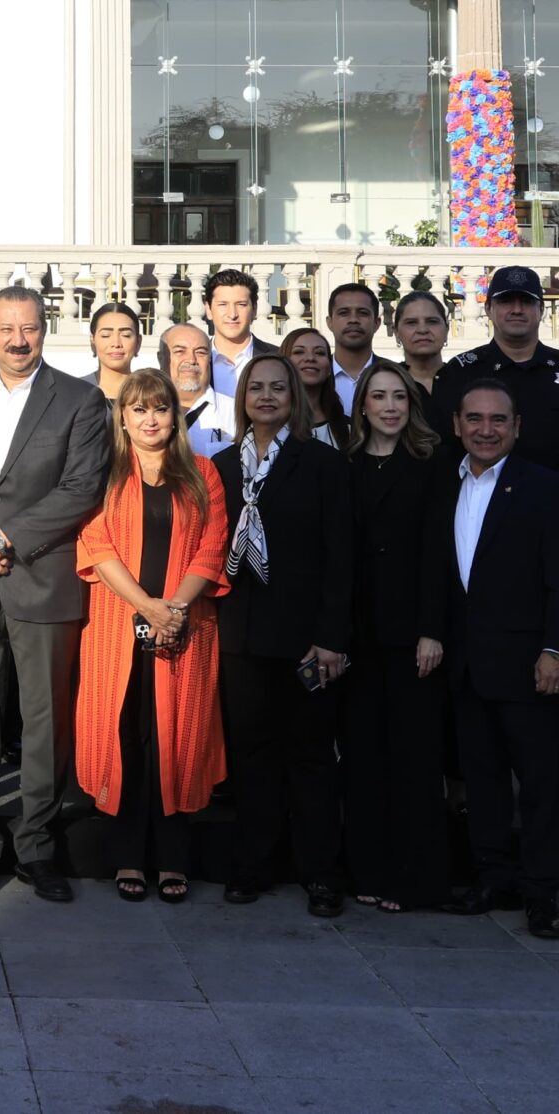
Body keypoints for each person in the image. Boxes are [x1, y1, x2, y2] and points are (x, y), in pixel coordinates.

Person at [0, 285, 111, 903]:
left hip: (43, 580)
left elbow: (81, 489)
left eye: (29, 328)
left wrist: (5, 538)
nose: (17, 339)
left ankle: (37, 846)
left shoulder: (82, 400)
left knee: (44, 720)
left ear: (46, 327)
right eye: (6, 328)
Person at [427, 376, 559, 940]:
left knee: (540, 786)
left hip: (529, 666)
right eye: (474, 419)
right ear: (457, 426)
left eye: (498, 420)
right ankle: (494, 878)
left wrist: (555, 650)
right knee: (483, 781)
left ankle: (542, 894)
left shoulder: (545, 489)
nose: (485, 430)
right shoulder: (442, 485)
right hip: (466, 667)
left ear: (516, 428)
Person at [76, 369, 227, 904]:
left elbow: (212, 550)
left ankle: (172, 860)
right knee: (128, 734)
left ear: (174, 415)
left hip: (185, 629)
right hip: (118, 625)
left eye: (159, 408)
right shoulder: (106, 475)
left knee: (174, 739)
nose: (150, 419)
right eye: (138, 409)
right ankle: (127, 858)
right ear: (122, 417)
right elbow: (97, 548)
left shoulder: (203, 474)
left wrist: (175, 611)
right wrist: (147, 608)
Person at [211, 351, 353, 913]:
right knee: (252, 755)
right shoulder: (222, 467)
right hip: (240, 637)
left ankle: (320, 872)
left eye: (278, 387)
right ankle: (253, 864)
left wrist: (332, 636)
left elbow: (341, 557)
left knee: (311, 755)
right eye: (256, 388)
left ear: (294, 397)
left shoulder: (322, 464)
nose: (266, 396)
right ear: (243, 398)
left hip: (305, 639)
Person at [339, 359, 452, 912]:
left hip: (413, 633)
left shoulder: (433, 464)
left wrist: (432, 630)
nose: (389, 406)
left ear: (412, 406)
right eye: (379, 397)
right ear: (362, 406)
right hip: (359, 633)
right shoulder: (347, 465)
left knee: (414, 756)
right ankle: (367, 869)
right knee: (363, 756)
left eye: (399, 398)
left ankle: (413, 877)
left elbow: (438, 553)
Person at [436, 266, 559, 469]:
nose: (517, 310)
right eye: (505, 301)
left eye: (527, 302)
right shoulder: (461, 372)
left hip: (557, 495)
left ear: (541, 310)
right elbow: (448, 446)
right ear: (488, 309)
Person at [160, 322, 238, 459]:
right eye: (180, 351)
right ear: (161, 358)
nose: (191, 360)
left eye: (201, 352)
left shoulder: (235, 413)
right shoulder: (143, 412)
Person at [203, 269, 279, 401]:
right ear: (209, 310)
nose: (232, 314)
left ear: (254, 310)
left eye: (241, 304)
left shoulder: (279, 358)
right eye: (222, 305)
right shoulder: (195, 361)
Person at [279, 327, 346, 447]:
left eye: (319, 353)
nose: (310, 358)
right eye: (299, 352)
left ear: (330, 368)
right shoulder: (269, 423)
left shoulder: (348, 428)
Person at [326, 283, 381, 414]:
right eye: (344, 313)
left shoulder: (396, 376)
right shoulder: (313, 376)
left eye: (363, 313)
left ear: (376, 323)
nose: (353, 320)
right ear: (330, 322)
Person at [392, 290, 451, 400]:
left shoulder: (465, 380)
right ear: (396, 332)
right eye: (411, 323)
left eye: (432, 321)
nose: (422, 330)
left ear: (447, 329)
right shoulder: (385, 383)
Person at [88, 302, 143, 404]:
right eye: (106, 335)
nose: (116, 344)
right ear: (92, 341)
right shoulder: (75, 391)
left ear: (138, 342)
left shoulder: (151, 392)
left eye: (126, 335)